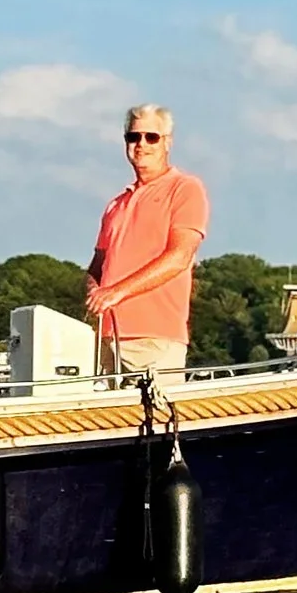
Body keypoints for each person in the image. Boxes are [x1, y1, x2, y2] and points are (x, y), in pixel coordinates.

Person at [83, 103, 209, 383]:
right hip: (107, 340)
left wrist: (117, 292)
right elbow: (97, 266)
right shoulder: (115, 204)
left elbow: (180, 256)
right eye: (133, 137)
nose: (141, 144)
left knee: (158, 423)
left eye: (151, 137)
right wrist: (95, 290)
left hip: (156, 341)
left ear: (168, 143)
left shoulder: (185, 189)